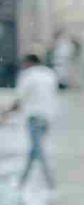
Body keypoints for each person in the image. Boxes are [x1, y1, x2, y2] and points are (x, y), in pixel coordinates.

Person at [7, 53, 59, 190]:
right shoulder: (50, 74)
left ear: (28, 63)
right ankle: (22, 182)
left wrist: (7, 113)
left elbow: (20, 98)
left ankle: (50, 182)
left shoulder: (28, 76)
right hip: (48, 116)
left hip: (34, 117)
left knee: (37, 150)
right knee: (35, 150)